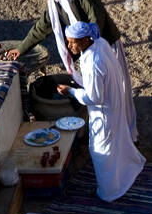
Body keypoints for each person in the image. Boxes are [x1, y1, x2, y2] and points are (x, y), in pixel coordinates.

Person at [6, 0, 137, 141]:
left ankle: (129, 135)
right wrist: (21, 49)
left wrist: (91, 47)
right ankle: (112, 131)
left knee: (119, 89)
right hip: (89, 51)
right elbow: (41, 27)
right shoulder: (54, 2)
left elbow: (96, 17)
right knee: (99, 93)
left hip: (105, 47)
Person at [58, 21, 145, 202]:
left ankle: (109, 192)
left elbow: (94, 97)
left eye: (72, 42)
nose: (69, 46)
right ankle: (124, 174)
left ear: (84, 40)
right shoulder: (101, 44)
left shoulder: (92, 62)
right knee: (116, 142)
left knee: (101, 150)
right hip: (114, 104)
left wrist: (71, 91)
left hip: (104, 113)